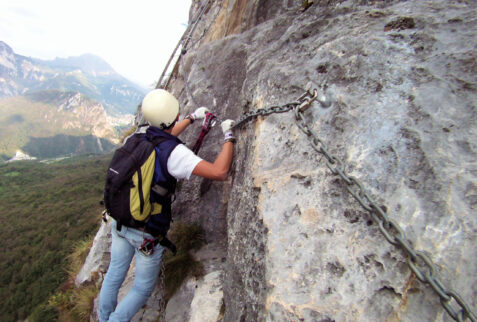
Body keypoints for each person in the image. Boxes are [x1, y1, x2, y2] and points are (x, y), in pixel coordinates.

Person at [98, 89, 235, 322]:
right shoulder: (175, 154)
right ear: (173, 114)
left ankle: (103, 317)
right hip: (146, 232)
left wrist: (192, 118)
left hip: (119, 222)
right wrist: (229, 135)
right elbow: (219, 171)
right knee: (141, 289)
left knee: (113, 275)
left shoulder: (137, 137)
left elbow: (164, 134)